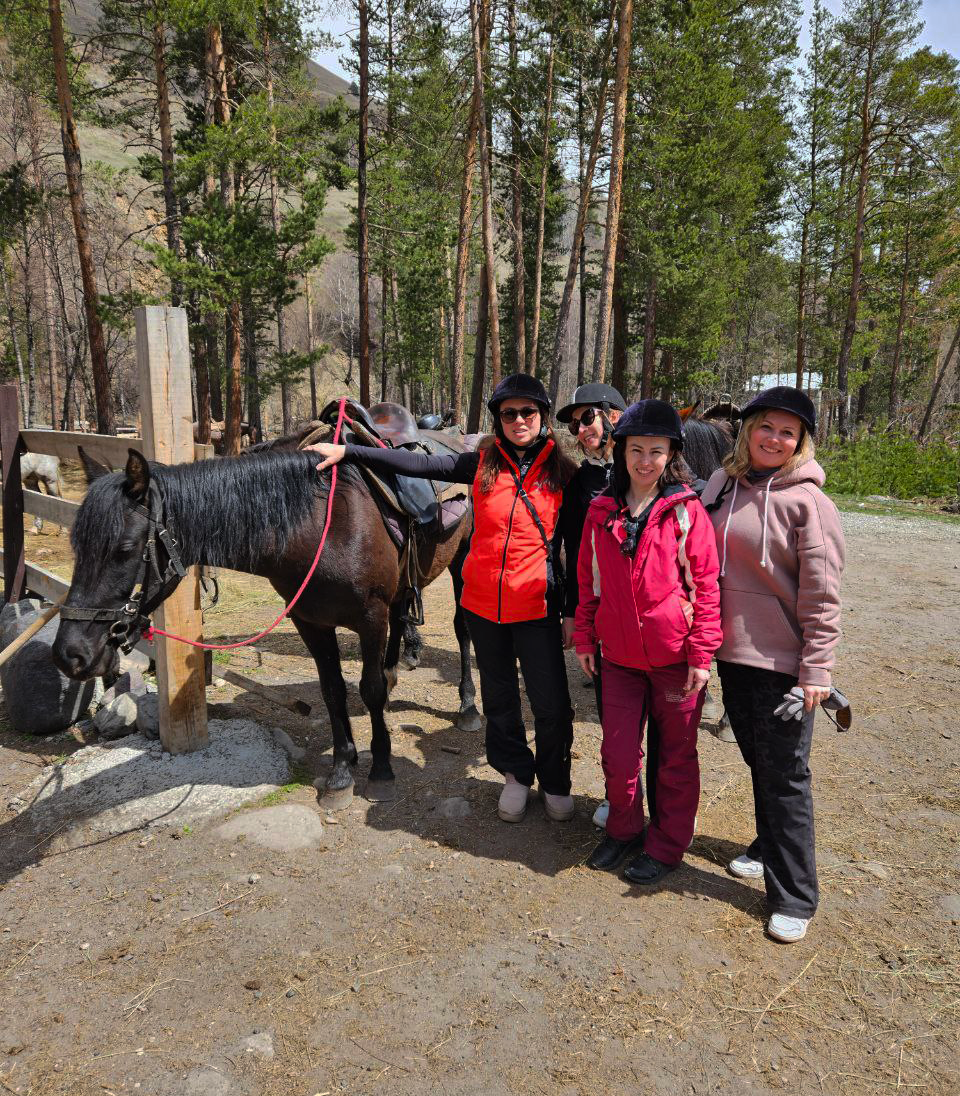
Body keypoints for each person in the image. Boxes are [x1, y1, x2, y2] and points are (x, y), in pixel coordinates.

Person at [308, 374, 578, 824]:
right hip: (483, 607)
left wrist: (571, 613)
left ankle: (554, 780)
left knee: (550, 702)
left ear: (543, 417)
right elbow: (412, 467)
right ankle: (514, 774)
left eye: (527, 412)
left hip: (537, 606)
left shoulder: (563, 475)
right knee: (499, 698)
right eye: (508, 413)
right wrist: (348, 451)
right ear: (498, 419)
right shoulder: (482, 465)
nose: (518, 421)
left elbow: (575, 548)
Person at [700, 386, 844, 943]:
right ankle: (766, 847)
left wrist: (817, 670)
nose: (775, 439)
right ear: (748, 429)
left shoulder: (811, 505)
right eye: (767, 427)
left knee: (786, 778)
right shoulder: (721, 485)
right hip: (730, 654)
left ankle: (795, 896)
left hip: (784, 663)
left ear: (800, 442)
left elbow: (823, 597)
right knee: (758, 762)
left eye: (789, 432)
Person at [574, 400, 722, 884]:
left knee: (675, 756)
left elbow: (705, 586)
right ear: (620, 453)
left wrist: (701, 654)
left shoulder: (686, 512)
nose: (644, 461)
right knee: (617, 754)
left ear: (671, 454)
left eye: (655, 451)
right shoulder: (601, 511)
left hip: (675, 659)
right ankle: (622, 830)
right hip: (617, 659)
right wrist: (584, 638)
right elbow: (589, 582)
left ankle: (667, 845)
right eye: (635, 450)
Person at [555, 383, 627, 828]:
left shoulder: (652, 469)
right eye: (573, 423)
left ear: (613, 415)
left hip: (652, 617)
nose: (578, 430)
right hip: (600, 615)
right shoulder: (583, 479)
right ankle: (617, 794)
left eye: (586, 419)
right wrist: (569, 612)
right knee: (610, 710)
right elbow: (569, 547)